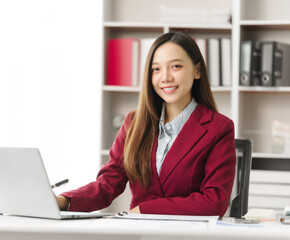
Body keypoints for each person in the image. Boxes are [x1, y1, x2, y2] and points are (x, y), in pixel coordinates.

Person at [56, 31, 236, 216]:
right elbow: (108, 184)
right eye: (156, 69)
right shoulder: (134, 123)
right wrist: (62, 201)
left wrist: (146, 210)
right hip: (139, 233)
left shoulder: (219, 128)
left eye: (175, 66)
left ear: (197, 70)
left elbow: (215, 202)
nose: (165, 77)